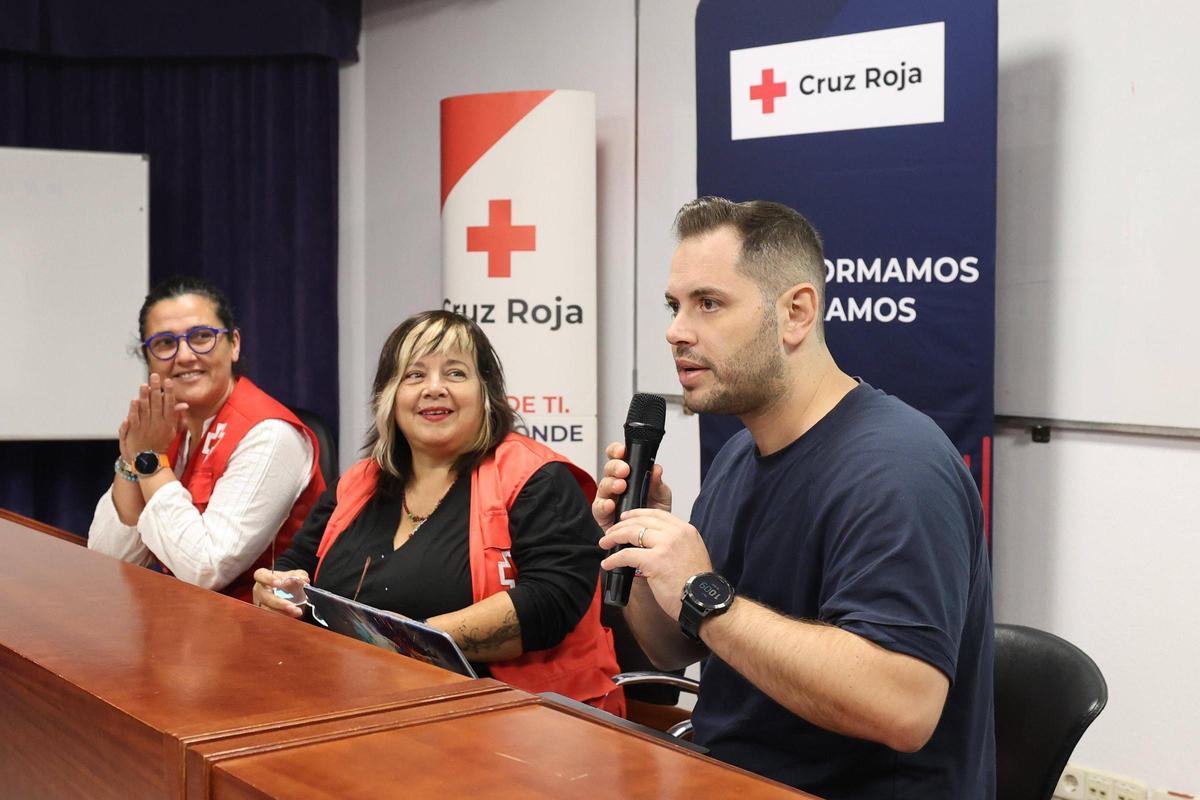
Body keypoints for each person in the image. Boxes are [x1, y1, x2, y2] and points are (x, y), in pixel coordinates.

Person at [594, 197, 994, 798]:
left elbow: (903, 707)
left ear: (796, 313)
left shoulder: (897, 469)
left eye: (709, 303)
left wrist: (705, 594)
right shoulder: (740, 455)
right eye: (674, 306)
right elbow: (671, 644)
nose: (676, 331)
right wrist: (649, 553)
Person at [254, 310, 624, 713]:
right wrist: (274, 592)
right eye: (414, 375)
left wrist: (399, 640)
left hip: (515, 722)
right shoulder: (358, 483)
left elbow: (551, 602)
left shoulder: (537, 478)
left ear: (487, 393)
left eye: (455, 374)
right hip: (359, 703)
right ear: (389, 397)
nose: (434, 389)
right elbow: (295, 567)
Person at [88, 276, 325, 602]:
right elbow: (107, 560)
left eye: (202, 337)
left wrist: (150, 460)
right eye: (165, 343)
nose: (184, 356)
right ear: (148, 358)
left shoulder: (271, 434)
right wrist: (133, 459)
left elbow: (206, 568)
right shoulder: (166, 429)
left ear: (235, 344)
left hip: (261, 634)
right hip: (186, 626)